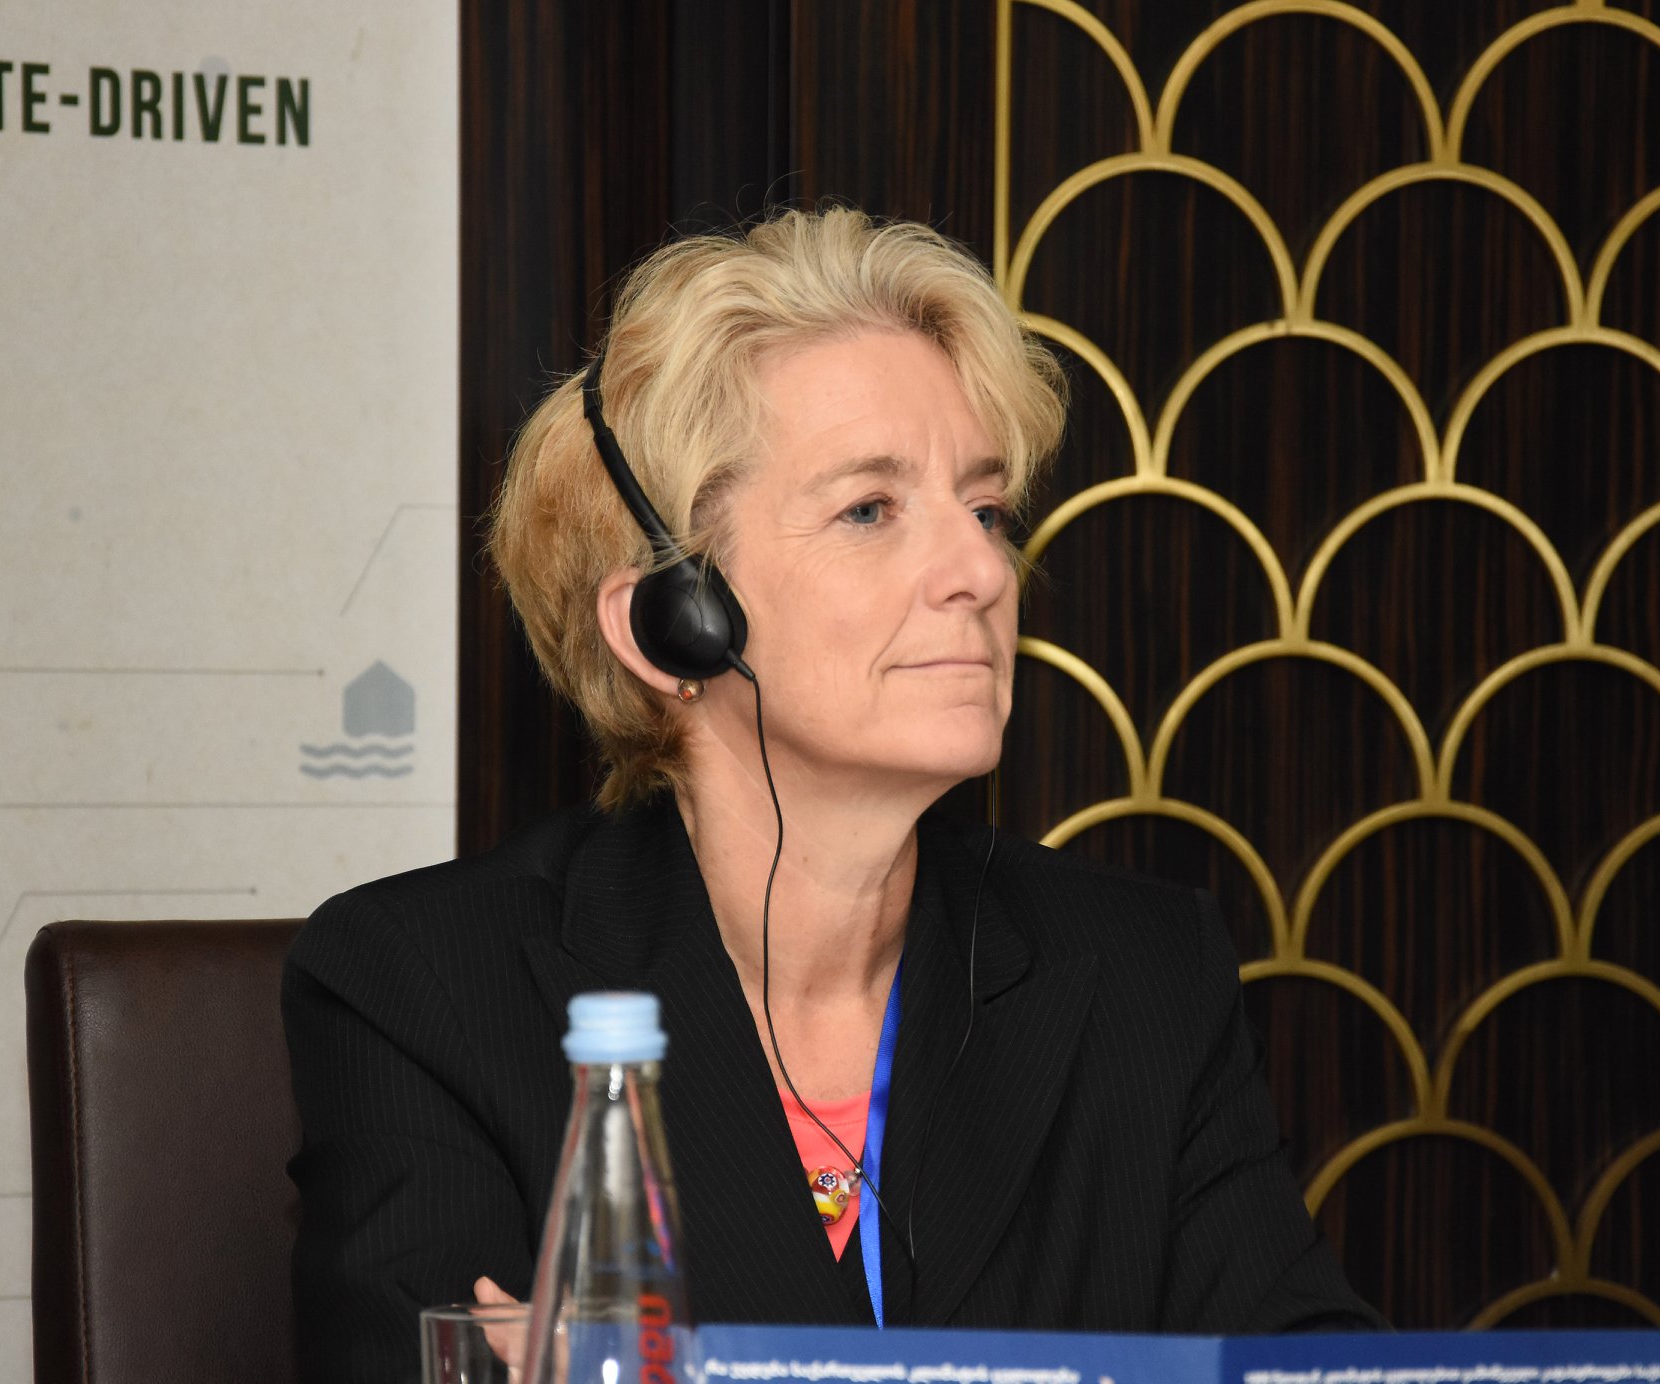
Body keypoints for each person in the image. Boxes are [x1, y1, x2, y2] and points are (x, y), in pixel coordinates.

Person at [283, 207, 1383, 1383]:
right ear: (672, 623)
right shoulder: (424, 989)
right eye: (869, 509)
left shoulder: (1144, 975)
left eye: (985, 509)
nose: (981, 570)